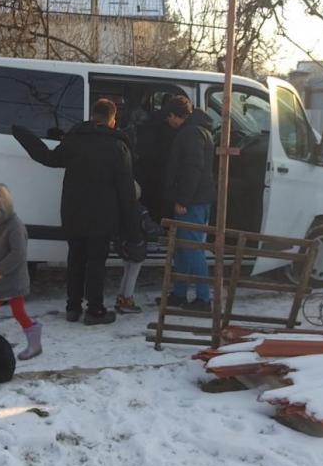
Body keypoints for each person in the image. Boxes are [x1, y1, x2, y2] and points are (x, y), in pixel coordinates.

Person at [13, 98, 139, 325]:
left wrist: (24, 135)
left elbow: (48, 157)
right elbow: (126, 192)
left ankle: (73, 308)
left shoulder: (74, 140)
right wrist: (132, 229)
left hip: (73, 213)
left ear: (93, 116)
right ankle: (95, 311)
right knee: (96, 264)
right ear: (113, 120)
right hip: (102, 217)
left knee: (76, 260)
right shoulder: (118, 147)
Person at [162, 95, 216, 310]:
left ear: (176, 115)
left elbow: (192, 169)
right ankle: (179, 293)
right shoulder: (201, 130)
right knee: (183, 249)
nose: (168, 121)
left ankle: (204, 298)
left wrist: (182, 199)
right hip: (198, 199)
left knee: (192, 249)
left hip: (192, 202)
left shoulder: (190, 134)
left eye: (169, 117)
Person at [0, 183, 41, 360]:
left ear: (1, 209)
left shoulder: (15, 227)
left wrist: (1, 269)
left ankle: (35, 341)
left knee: (18, 312)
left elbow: (18, 253)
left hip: (13, 279)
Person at [114, 182, 162, 314]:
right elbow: (148, 228)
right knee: (133, 274)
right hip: (136, 246)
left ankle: (121, 297)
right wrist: (160, 230)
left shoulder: (120, 208)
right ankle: (127, 299)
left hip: (123, 245)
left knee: (126, 271)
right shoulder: (141, 210)